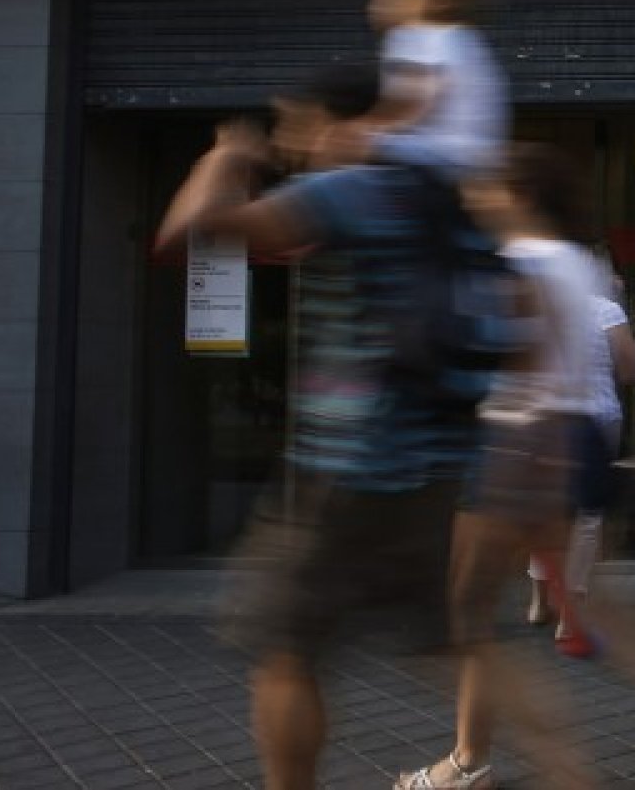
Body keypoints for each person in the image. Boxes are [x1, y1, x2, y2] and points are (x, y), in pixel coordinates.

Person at [154, 64, 493, 790]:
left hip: (342, 468)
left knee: (284, 652)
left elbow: (186, 235)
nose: (290, 145)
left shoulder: (347, 191)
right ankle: (564, 763)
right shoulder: (434, 198)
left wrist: (225, 158)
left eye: (296, 125)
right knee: (448, 647)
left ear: (339, 121)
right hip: (432, 466)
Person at [399, 144, 635, 790]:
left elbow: (511, 363)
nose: (478, 195)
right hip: (572, 438)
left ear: (522, 195)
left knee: (464, 614)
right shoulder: (580, 264)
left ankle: (509, 764)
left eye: (491, 186)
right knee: (595, 605)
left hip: (520, 442)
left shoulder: (521, 263)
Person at [526, 261, 635, 638]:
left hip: (546, 418)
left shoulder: (539, 309)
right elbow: (631, 371)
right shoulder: (606, 311)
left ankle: (539, 601)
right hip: (596, 418)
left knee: (546, 509)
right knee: (587, 516)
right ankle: (569, 612)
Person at [356, 0, 509, 178]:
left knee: (348, 154)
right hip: (480, 158)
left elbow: (416, 98)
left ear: (439, 0)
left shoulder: (417, 33)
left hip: (443, 154)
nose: (374, 7)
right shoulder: (466, 38)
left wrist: (366, 130)